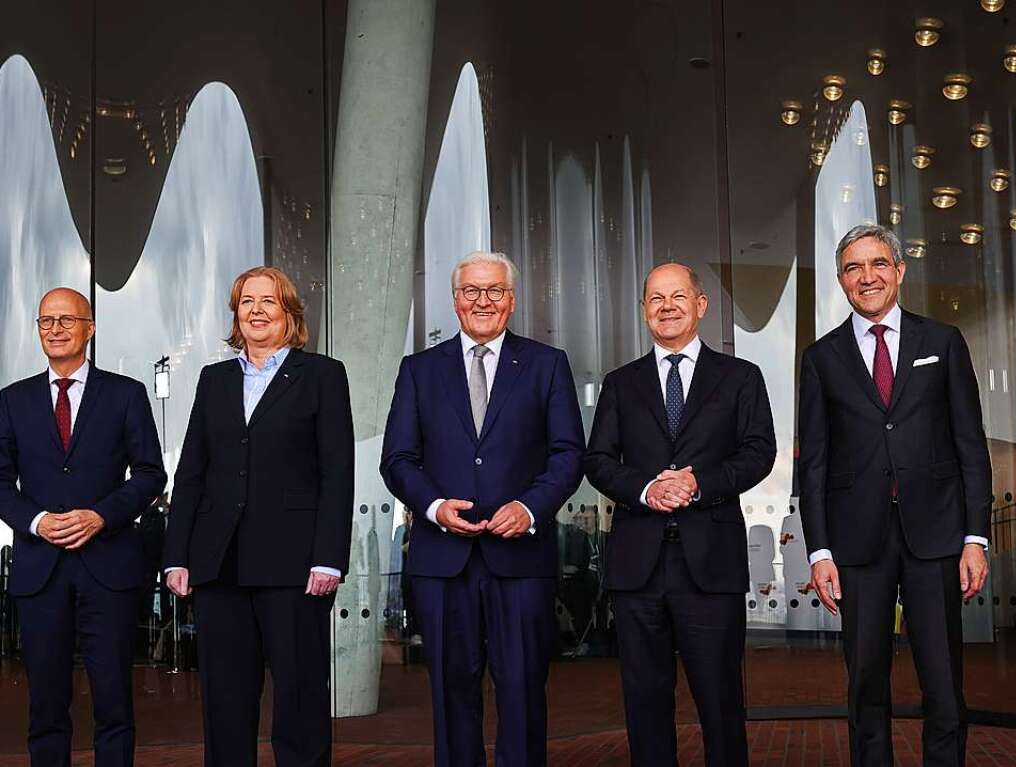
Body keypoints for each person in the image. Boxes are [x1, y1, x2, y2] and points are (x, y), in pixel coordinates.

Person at [380, 251, 585, 766]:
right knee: (451, 695)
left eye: (494, 291)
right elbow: (397, 458)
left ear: (511, 301)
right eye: (471, 291)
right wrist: (432, 506)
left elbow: (568, 454)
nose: (483, 301)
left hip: (520, 558)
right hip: (442, 561)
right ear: (455, 301)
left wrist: (530, 507)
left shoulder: (547, 364)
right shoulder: (419, 370)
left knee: (521, 692)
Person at [798, 224, 991, 767]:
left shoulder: (943, 342)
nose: (868, 277)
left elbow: (971, 447)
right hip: (857, 546)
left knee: (944, 682)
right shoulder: (821, 358)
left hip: (936, 539)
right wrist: (819, 552)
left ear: (900, 271)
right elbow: (812, 463)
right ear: (841, 281)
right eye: (854, 268)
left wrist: (975, 537)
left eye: (879, 264)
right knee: (865, 685)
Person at [584, 263, 776, 767]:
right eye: (655, 299)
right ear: (644, 311)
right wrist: (646, 488)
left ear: (700, 305)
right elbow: (598, 460)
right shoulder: (621, 383)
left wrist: (699, 484)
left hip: (710, 564)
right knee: (644, 702)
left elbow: (759, 452)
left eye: (677, 297)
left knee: (720, 701)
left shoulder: (740, 377)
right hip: (638, 566)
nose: (667, 307)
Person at [163, 266, 354, 767]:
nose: (256, 310)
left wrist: (329, 558)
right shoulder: (214, 379)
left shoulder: (322, 376)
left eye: (268, 301)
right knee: (225, 703)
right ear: (236, 314)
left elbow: (338, 473)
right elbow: (191, 474)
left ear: (289, 313)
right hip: (219, 565)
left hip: (295, 567)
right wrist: (176, 555)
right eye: (247, 301)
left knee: (300, 699)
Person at [0, 287, 167, 765]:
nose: (55, 329)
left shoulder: (126, 394)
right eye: (46, 321)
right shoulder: (12, 401)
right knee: (46, 706)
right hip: (40, 570)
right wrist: (34, 521)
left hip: (108, 567)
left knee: (114, 703)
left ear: (89, 329)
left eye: (66, 320)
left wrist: (102, 515)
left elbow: (151, 473)